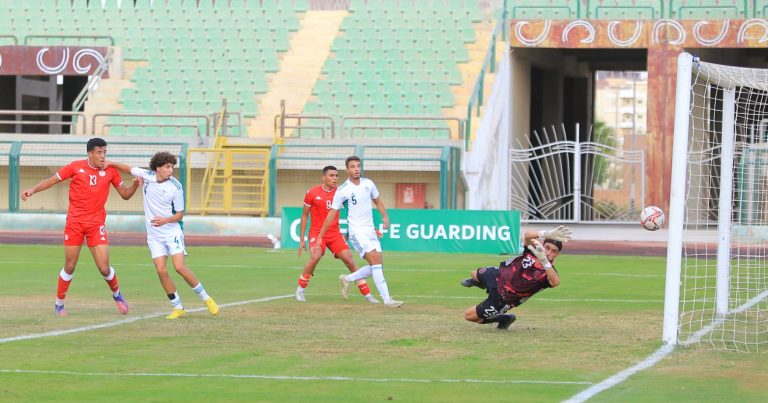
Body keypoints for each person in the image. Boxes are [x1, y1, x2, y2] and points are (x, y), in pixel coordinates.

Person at [21, 138, 141, 316]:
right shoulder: (75, 167)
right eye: (99, 153)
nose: (103, 156)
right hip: (75, 223)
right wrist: (32, 190)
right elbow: (52, 180)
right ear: (90, 154)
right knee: (70, 266)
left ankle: (117, 295)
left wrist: (135, 185)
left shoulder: (111, 171)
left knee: (104, 268)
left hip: (96, 224)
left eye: (105, 152)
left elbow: (125, 195)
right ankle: (59, 304)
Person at [127, 151, 219, 319]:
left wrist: (165, 220)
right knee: (161, 270)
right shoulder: (146, 175)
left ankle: (207, 299)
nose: (171, 170)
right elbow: (125, 168)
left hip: (172, 231)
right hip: (154, 235)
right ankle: (178, 307)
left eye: (172, 167)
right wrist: (107, 164)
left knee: (179, 267)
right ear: (157, 168)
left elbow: (179, 215)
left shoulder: (175, 186)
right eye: (168, 167)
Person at [314, 156, 404, 308]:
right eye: (352, 167)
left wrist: (385, 217)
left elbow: (378, 201)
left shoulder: (369, 184)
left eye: (358, 166)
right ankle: (387, 300)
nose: (356, 169)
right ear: (347, 170)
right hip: (356, 232)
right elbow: (331, 213)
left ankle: (347, 279)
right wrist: (320, 236)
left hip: (370, 230)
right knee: (375, 261)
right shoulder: (343, 190)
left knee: (377, 265)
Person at [461, 226, 572, 329]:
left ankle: (504, 318)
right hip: (499, 275)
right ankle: (482, 283)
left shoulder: (549, 271)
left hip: (505, 298)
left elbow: (555, 282)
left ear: (557, 255)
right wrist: (547, 233)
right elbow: (527, 235)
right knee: (474, 274)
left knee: (469, 316)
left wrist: (544, 261)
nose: (548, 253)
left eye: (554, 251)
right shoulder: (533, 251)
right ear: (543, 245)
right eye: (547, 248)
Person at [296, 165, 378, 303]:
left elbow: (354, 213)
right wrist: (302, 240)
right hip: (317, 232)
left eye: (336, 176)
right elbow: (304, 216)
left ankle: (367, 294)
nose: (334, 178)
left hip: (334, 233)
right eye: (331, 175)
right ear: (324, 177)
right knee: (315, 256)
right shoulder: (312, 192)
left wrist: (351, 231)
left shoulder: (342, 192)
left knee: (349, 259)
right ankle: (300, 289)